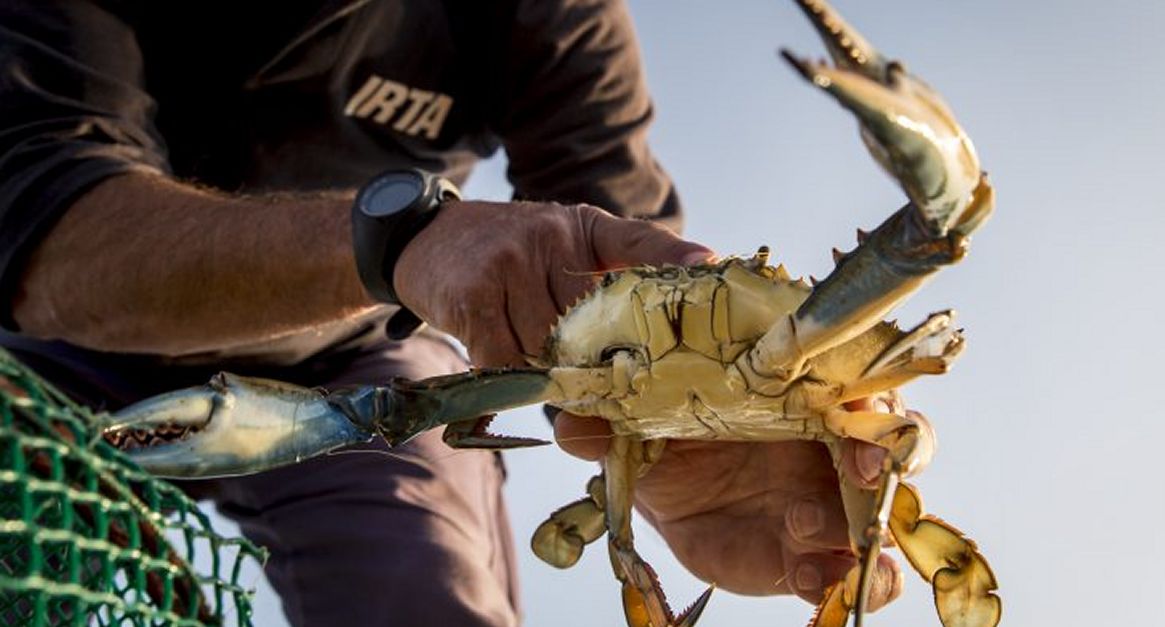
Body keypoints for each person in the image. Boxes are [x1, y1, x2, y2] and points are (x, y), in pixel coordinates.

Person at [0, 0, 900, 625]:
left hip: (359, 371)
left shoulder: (554, 18)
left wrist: (675, 437)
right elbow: (45, 230)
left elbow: (627, 265)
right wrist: (406, 242)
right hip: (46, 353)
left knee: (428, 602)